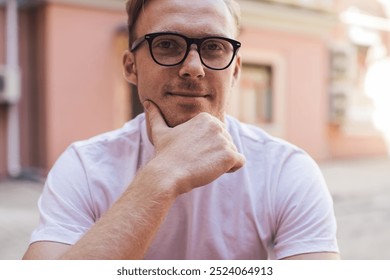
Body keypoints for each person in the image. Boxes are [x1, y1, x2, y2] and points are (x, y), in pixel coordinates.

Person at [23, 0, 339, 260]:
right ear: (131, 67)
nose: (193, 68)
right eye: (168, 45)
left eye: (214, 46)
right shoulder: (84, 166)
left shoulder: (285, 169)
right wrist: (163, 175)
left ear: (236, 70)